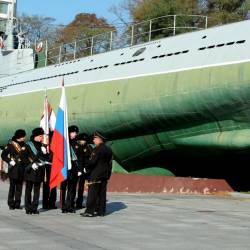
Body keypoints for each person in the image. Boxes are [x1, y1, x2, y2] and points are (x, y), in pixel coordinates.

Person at [81, 131, 112, 217]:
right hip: (104, 175)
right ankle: (101, 211)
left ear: (99, 139)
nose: (93, 140)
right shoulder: (108, 149)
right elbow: (110, 164)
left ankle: (89, 211)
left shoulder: (97, 149)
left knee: (92, 193)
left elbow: (92, 162)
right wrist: (108, 174)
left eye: (94, 138)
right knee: (102, 194)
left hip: (96, 174)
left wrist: (86, 167)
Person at [1, 129, 31, 210]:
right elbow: (3, 155)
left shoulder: (25, 145)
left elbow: (27, 156)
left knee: (19, 187)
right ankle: (11, 203)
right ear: (19, 137)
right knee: (12, 187)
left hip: (22, 168)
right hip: (13, 168)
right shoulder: (11, 145)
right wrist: (9, 161)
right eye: (23, 136)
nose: (24, 138)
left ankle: (17, 203)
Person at [24, 127, 49, 214]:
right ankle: (28, 208)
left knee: (37, 190)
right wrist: (31, 164)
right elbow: (24, 157)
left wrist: (45, 153)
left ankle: (34, 207)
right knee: (28, 190)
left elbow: (46, 159)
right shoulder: (28, 145)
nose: (42, 138)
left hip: (39, 170)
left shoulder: (42, 146)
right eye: (41, 136)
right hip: (31, 170)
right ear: (36, 136)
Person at [61, 125, 79, 213]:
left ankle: (70, 205)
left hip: (74, 169)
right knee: (63, 187)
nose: (75, 134)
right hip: (65, 168)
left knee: (72, 188)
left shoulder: (76, 144)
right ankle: (63, 205)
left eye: (76, 133)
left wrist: (79, 169)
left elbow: (80, 157)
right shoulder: (64, 143)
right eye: (73, 133)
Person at [75, 133, 92, 209]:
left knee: (83, 187)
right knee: (75, 187)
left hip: (86, 170)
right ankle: (74, 202)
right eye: (82, 140)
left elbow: (90, 158)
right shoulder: (77, 147)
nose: (83, 141)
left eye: (84, 140)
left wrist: (86, 167)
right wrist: (80, 168)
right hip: (78, 169)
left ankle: (80, 203)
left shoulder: (89, 147)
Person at [42, 130, 57, 210]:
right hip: (47, 166)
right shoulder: (45, 146)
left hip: (55, 166)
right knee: (46, 185)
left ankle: (52, 202)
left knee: (54, 185)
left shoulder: (57, 146)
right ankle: (45, 203)